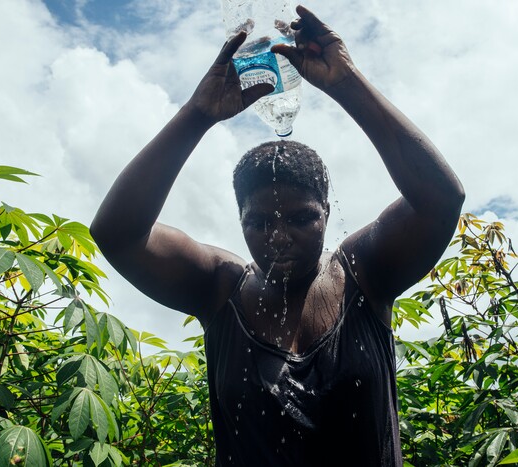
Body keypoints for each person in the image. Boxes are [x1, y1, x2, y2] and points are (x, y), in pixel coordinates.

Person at [91, 6, 464, 466]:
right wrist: (196, 115)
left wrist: (346, 82)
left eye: (301, 219)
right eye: (259, 223)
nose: (279, 237)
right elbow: (117, 234)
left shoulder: (364, 274)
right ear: (240, 219)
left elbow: (441, 201)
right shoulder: (218, 286)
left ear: (326, 213)